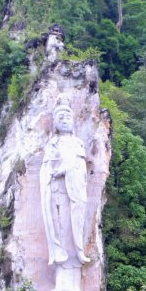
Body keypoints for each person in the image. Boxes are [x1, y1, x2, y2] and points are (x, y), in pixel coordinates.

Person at [39, 102, 92, 268]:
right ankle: (58, 254)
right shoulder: (52, 143)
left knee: (73, 223)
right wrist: (53, 172)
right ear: (55, 122)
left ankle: (77, 251)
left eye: (68, 117)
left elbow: (80, 167)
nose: (65, 120)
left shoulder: (77, 143)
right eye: (61, 117)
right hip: (57, 190)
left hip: (74, 190)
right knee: (59, 224)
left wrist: (65, 169)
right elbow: (46, 166)